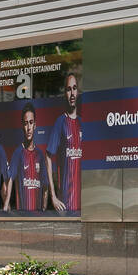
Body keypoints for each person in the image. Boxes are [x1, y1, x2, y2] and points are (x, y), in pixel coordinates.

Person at [9, 103, 59, 211]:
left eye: (31, 123)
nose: (28, 128)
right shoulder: (17, 153)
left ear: (35, 125)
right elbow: (9, 181)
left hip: (37, 217)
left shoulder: (40, 155)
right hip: (21, 217)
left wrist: (44, 210)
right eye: (26, 123)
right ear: (22, 125)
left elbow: (45, 187)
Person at [45, 73, 82, 212]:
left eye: (74, 88)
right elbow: (47, 156)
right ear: (65, 93)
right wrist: (53, 196)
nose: (72, 93)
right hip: (65, 204)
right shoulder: (60, 122)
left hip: (83, 205)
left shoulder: (82, 123)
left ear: (78, 92)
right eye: (68, 89)